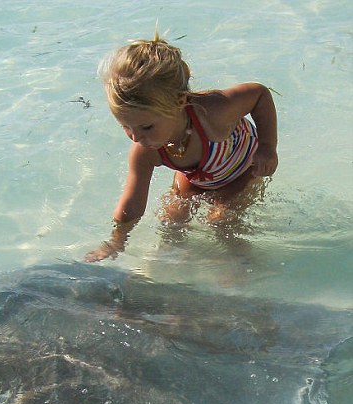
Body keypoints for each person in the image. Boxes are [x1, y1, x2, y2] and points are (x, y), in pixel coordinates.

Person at [85, 35, 278, 262]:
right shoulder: (145, 150)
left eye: (146, 126)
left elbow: (259, 94)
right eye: (125, 126)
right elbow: (131, 205)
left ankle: (241, 261)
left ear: (179, 103)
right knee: (171, 219)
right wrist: (116, 242)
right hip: (197, 176)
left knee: (221, 220)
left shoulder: (214, 112)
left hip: (243, 169)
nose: (136, 137)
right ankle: (174, 261)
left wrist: (267, 147)